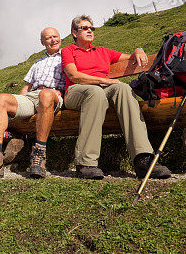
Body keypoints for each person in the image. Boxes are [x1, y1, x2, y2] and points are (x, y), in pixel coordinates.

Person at [62, 14, 171, 180]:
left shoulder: (103, 51)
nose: (90, 31)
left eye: (92, 28)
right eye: (85, 28)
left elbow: (131, 57)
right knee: (95, 92)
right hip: (77, 91)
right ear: (74, 33)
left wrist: (138, 49)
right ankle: (86, 163)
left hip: (102, 90)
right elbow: (74, 75)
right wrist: (104, 80)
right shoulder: (68, 51)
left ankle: (143, 158)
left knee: (124, 89)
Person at [0, 27, 65, 179]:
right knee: (0, 99)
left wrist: (63, 92)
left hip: (52, 95)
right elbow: (27, 87)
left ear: (60, 38)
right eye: (48, 38)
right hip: (33, 96)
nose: (53, 40)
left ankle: (39, 155)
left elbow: (74, 77)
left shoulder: (66, 57)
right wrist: (18, 102)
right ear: (42, 42)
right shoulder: (37, 63)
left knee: (46, 94)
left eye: (55, 36)